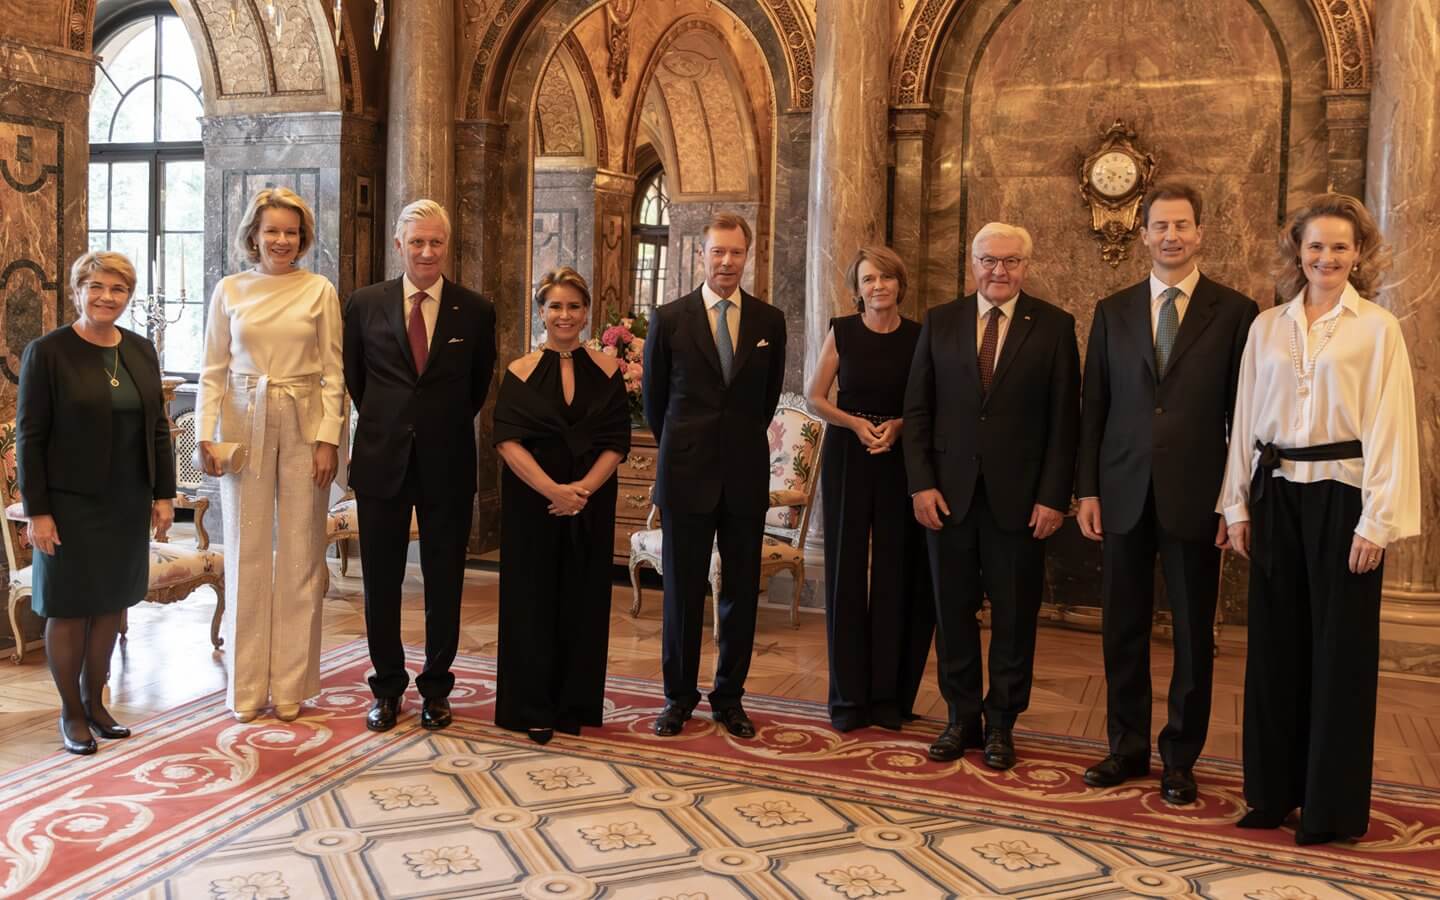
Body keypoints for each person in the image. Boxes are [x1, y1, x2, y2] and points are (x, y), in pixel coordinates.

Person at [1220, 193, 1419, 845]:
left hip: (1344, 499)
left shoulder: (1377, 328)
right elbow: (1245, 419)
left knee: (1340, 657)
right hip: (1277, 494)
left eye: (1339, 246)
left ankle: (1330, 808)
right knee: (1274, 651)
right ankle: (1270, 795)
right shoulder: (1268, 327)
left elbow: (1392, 426)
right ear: (1297, 252)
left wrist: (1377, 520)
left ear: (1358, 254)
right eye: (1315, 246)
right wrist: (1237, 504)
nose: (1326, 257)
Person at [1075, 182, 1258, 805]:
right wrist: (1087, 491)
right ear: (1144, 234)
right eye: (1160, 226)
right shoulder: (1113, 309)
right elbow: (1092, 407)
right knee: (1121, 629)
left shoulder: (1236, 313)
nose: (1171, 236)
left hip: (1196, 497)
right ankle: (1125, 748)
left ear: (1200, 232)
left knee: (1189, 633)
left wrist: (1234, 503)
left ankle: (1181, 756)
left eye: (1182, 225)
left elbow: (1244, 417)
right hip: (1122, 492)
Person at [903, 222, 1080, 769]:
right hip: (948, 499)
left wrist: (1055, 497)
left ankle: (1002, 723)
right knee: (952, 613)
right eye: (988, 260)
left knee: (1014, 617)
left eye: (1010, 261)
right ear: (972, 262)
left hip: (1021, 503)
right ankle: (961, 719)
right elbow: (918, 411)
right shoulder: (941, 321)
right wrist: (921, 483)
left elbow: (1063, 422)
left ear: (1027, 266)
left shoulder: (1053, 326)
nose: (998, 271)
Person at [344, 199, 497, 732]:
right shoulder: (364, 304)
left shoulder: (474, 310)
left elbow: (478, 387)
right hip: (381, 460)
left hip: (447, 462)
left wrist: (434, 424)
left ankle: (436, 688)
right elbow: (356, 380)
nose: (427, 251)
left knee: (444, 580)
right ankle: (386, 688)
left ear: (447, 246)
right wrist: (394, 422)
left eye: (435, 242)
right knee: (380, 582)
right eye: (417, 242)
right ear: (398, 246)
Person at [16, 252, 175, 755]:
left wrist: (164, 494)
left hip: (126, 501)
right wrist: (38, 511)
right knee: (68, 607)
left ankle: (96, 703)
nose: (108, 297)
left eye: (119, 289)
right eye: (97, 287)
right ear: (77, 290)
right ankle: (71, 711)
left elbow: (157, 429)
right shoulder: (49, 352)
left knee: (109, 603)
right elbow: (30, 437)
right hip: (68, 505)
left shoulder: (141, 351)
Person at [197, 187, 344, 723]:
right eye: (272, 231)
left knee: (303, 553)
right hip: (242, 412)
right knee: (245, 549)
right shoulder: (229, 290)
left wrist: (329, 438)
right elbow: (212, 366)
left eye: (291, 232)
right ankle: (245, 686)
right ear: (253, 235)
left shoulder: (319, 290)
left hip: (304, 414)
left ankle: (290, 685)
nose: (282, 240)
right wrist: (207, 434)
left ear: (302, 238)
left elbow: (333, 370)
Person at [643, 212, 787, 739]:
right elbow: (655, 405)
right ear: (699, 255)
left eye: (736, 253)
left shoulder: (770, 322)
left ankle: (730, 697)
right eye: (718, 252)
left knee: (741, 592)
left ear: (749, 256)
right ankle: (678, 697)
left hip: (745, 477)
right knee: (683, 593)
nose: (727, 262)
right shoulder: (670, 318)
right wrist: (687, 446)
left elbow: (766, 401)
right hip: (686, 474)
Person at [493, 268, 629, 744]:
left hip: (589, 505)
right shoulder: (519, 371)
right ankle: (530, 705)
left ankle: (576, 702)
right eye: (555, 306)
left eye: (573, 306)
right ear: (542, 312)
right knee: (532, 602)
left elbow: (616, 441)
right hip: (533, 506)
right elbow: (507, 442)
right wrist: (553, 491)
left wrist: (582, 492)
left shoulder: (609, 372)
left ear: (587, 312)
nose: (564, 315)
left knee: (583, 599)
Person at [806, 245, 933, 732]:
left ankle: (889, 698)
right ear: (857, 290)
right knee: (846, 571)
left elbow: (930, 403)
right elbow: (816, 398)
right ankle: (847, 699)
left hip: (901, 457)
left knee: (896, 572)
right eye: (868, 280)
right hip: (849, 455)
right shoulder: (843, 331)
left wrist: (898, 427)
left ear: (901, 283)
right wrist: (856, 425)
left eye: (886, 278)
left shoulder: (921, 337)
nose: (878, 286)